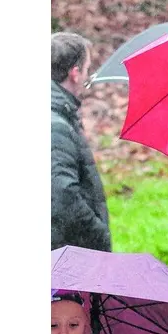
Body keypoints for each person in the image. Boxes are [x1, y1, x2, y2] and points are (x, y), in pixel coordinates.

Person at [52, 32, 112, 252]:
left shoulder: (60, 116)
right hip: (65, 261)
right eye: (87, 69)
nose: (89, 77)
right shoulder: (55, 126)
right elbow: (62, 196)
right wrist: (98, 234)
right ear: (75, 73)